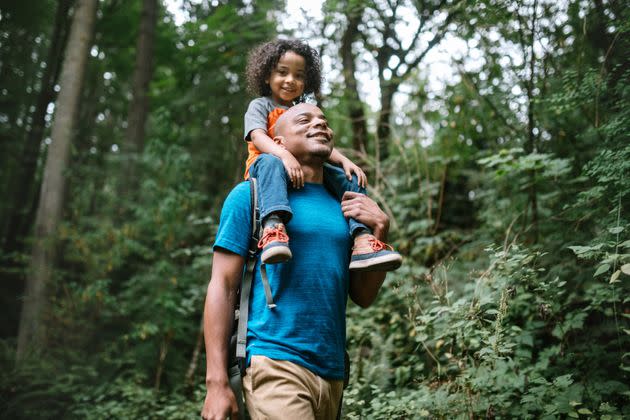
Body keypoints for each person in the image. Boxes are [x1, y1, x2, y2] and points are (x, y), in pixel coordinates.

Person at [201, 103, 397, 419]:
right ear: (277, 143)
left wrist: (379, 231)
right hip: (273, 360)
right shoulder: (249, 197)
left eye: (324, 120)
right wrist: (216, 382)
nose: (320, 124)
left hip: (333, 372)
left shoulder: (346, 205)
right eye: (304, 119)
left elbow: (363, 296)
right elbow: (222, 286)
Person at [243, 39, 401, 271]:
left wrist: (345, 161)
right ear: (267, 76)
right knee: (269, 161)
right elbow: (257, 137)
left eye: (299, 76)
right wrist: (284, 155)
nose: (290, 80)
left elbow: (319, 145)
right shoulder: (261, 105)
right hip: (268, 168)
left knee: (350, 178)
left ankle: (362, 238)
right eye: (282, 73)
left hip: (304, 170)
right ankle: (273, 227)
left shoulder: (304, 109)